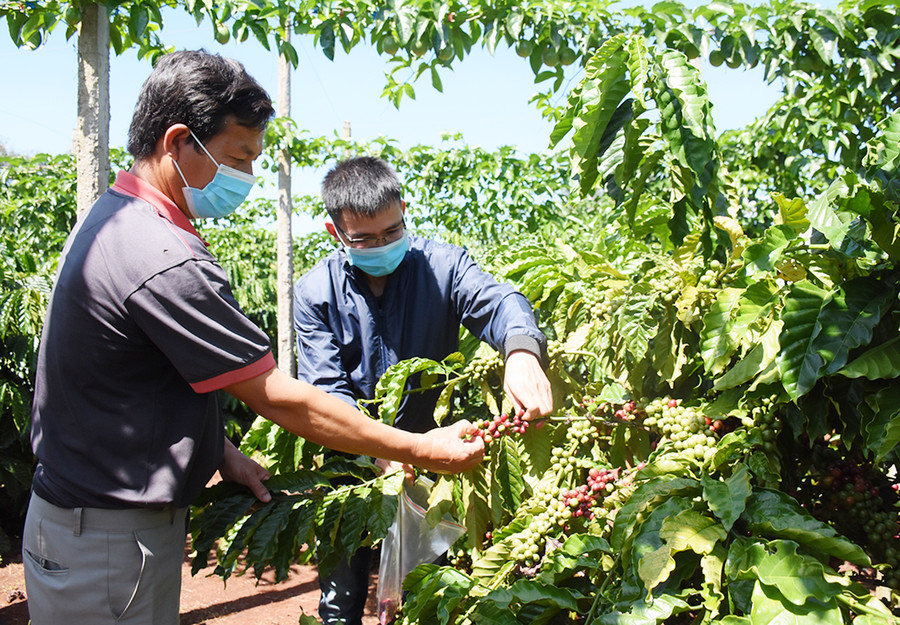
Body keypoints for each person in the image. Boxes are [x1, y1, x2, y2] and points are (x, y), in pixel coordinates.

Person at [22, 51, 483, 625]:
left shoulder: (113, 218)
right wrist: (418, 447)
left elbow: (131, 378)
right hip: (108, 542)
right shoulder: (161, 254)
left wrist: (218, 451)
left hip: (93, 526)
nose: (246, 176)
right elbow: (273, 395)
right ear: (179, 142)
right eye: (238, 157)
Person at [293, 156, 554, 625]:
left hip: (433, 462)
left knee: (422, 591)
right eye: (365, 239)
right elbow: (327, 388)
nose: (382, 245)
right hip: (348, 465)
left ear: (404, 211)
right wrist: (378, 448)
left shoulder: (444, 267)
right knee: (341, 594)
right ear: (336, 234)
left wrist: (520, 350)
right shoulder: (316, 293)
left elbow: (498, 302)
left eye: (392, 232)